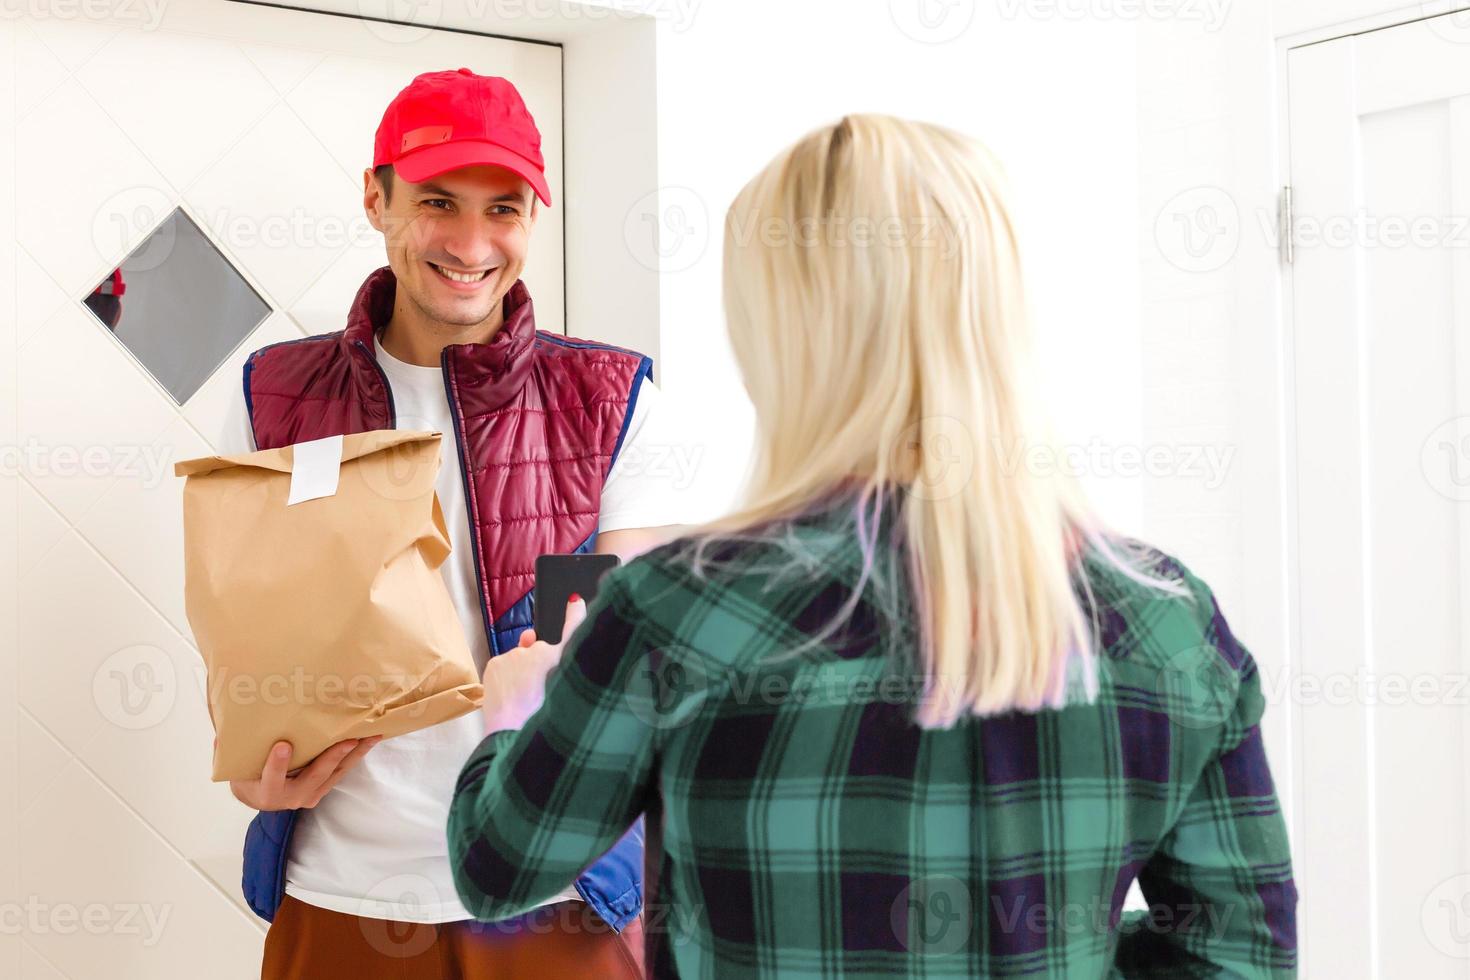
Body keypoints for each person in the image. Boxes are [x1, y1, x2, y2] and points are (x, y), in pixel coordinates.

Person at [446, 114, 1299, 978]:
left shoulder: (679, 610)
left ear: (779, 337)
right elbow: (1241, 958)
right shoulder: (1167, 620)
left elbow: (498, 867)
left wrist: (515, 705)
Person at [215, 67, 691, 978]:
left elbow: (635, 640)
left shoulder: (613, 400)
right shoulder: (272, 395)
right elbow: (242, 626)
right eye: (439, 201)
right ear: (377, 198)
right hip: (342, 889)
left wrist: (551, 668)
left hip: (553, 894)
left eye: (504, 208)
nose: (473, 242)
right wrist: (247, 755)